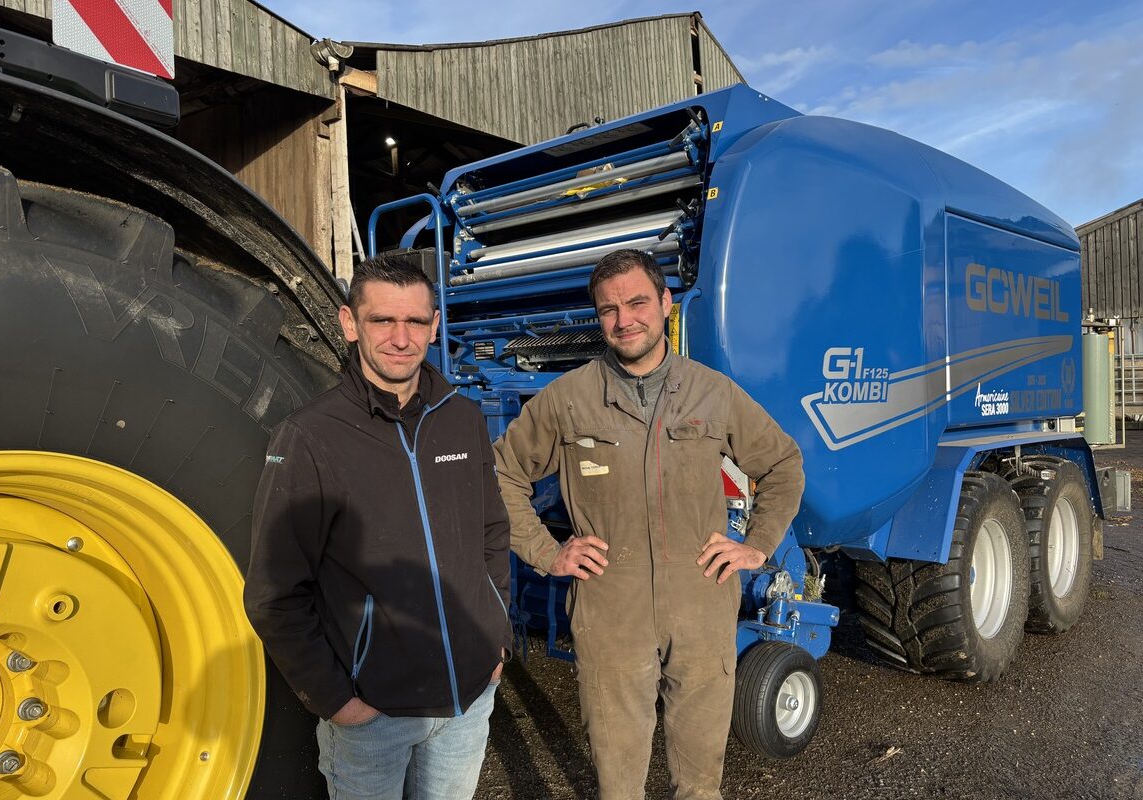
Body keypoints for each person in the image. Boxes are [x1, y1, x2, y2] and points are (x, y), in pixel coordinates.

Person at [493, 248, 804, 800]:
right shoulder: (570, 399)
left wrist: (756, 546)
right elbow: (501, 473)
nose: (624, 319)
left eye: (637, 302)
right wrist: (548, 551)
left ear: (665, 304)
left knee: (701, 776)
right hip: (611, 606)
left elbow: (782, 464)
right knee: (617, 776)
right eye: (608, 309)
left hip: (702, 599)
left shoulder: (713, 391)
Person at [244, 253, 511, 800]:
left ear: (435, 326)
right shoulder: (311, 437)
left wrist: (495, 641)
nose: (400, 337)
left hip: (467, 701)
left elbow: (490, 532)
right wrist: (338, 702)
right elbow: (274, 594)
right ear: (349, 323)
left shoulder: (461, 417)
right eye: (381, 320)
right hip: (374, 715)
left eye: (415, 321)